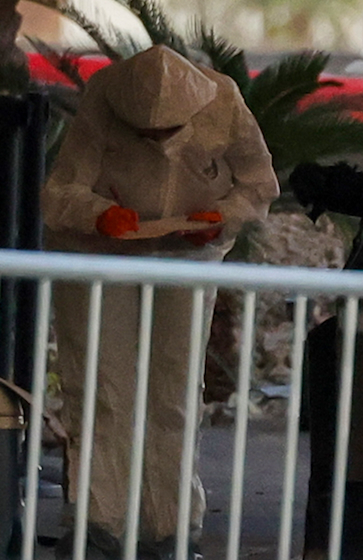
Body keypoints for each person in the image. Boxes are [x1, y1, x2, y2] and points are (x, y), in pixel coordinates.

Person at [41, 45, 280, 558]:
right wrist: (99, 215)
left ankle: (171, 527)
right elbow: (62, 190)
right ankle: (97, 522)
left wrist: (221, 217)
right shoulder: (105, 97)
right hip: (99, 257)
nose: (155, 143)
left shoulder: (225, 102)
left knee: (174, 390)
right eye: (144, 135)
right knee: (105, 387)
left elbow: (259, 185)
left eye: (164, 134)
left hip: (187, 258)